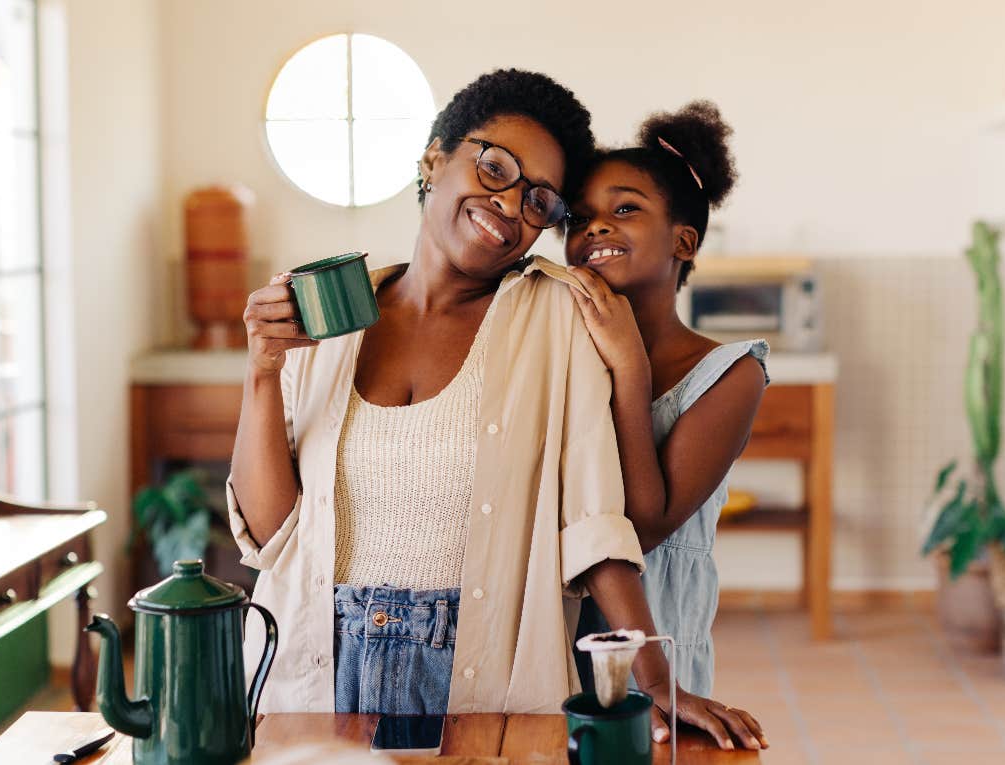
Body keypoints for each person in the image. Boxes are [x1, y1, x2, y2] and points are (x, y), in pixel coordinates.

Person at [228, 71, 765, 750]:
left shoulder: (557, 315)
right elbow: (276, 534)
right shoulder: (329, 311)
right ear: (433, 159)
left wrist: (653, 678)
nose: (510, 203)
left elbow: (597, 521)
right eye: (495, 167)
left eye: (538, 199)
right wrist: (262, 368)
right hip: (309, 672)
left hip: (477, 679)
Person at [564, 101, 769, 697]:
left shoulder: (729, 374)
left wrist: (629, 366)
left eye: (625, 209)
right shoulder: (562, 350)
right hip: (555, 632)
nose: (595, 227)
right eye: (579, 218)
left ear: (683, 240)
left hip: (654, 646)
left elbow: (644, 525)